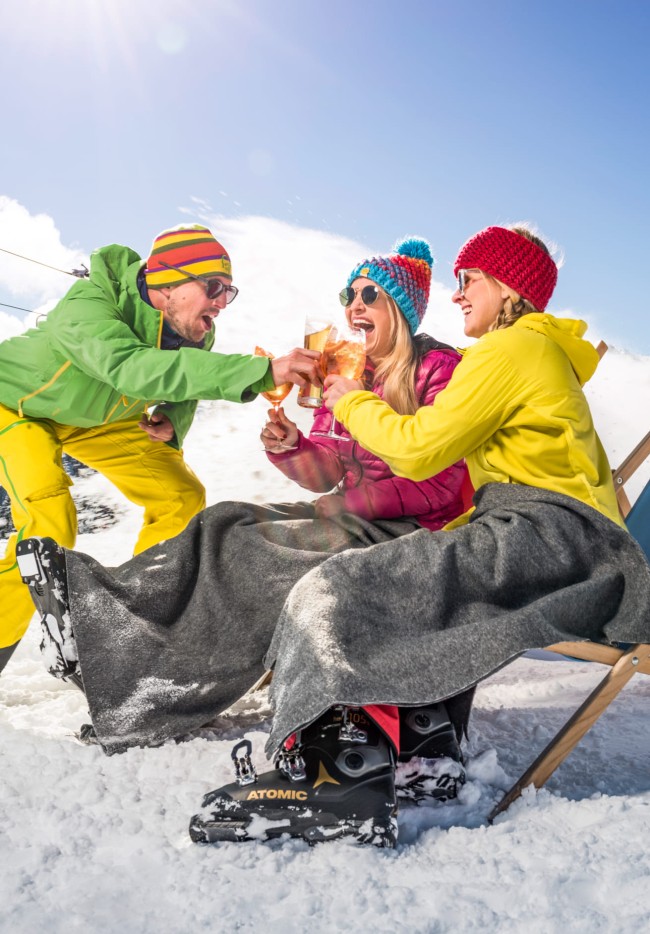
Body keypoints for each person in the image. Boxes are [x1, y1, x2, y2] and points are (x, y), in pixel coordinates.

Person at [181, 224, 650, 847]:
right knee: (388, 577)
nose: (458, 295)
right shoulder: (531, 353)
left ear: (509, 287)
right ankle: (419, 752)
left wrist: (348, 401)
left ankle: (340, 778)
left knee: (345, 584)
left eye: (470, 280)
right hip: (559, 541)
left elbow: (422, 450)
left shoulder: (510, 352)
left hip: (548, 538)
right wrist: (311, 440)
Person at [17, 238, 470, 789]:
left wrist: (344, 495)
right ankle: (124, 634)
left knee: (256, 555)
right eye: (348, 293)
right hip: (354, 516)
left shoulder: (440, 369)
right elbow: (328, 473)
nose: (353, 305)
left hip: (411, 529)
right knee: (224, 522)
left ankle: (145, 672)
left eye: (368, 294)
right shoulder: (356, 374)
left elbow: (442, 479)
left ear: (400, 310)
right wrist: (292, 448)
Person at [0, 224, 321, 673]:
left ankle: (129, 626)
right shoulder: (91, 303)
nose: (222, 304)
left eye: (229, 292)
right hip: (17, 405)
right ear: (166, 281)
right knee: (50, 522)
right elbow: (129, 368)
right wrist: (263, 371)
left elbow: (186, 380)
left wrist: (176, 417)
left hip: (101, 421)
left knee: (180, 496)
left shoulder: (195, 332)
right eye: (214, 287)